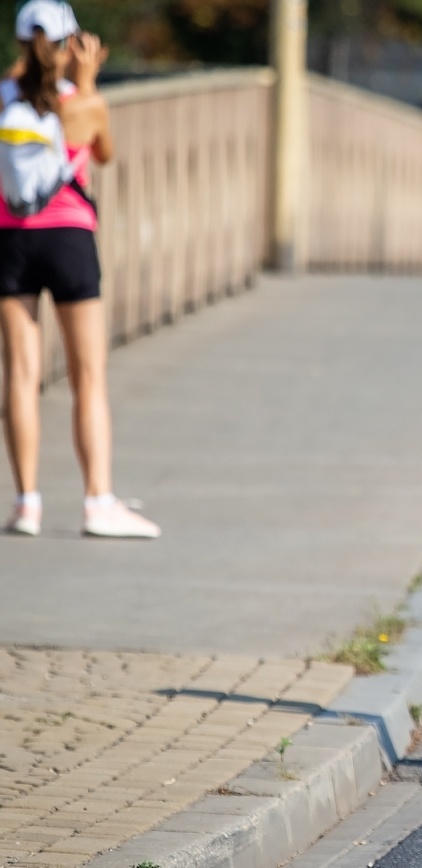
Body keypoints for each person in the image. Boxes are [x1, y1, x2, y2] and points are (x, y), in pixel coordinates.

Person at [1, 0, 156, 538]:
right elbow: (104, 154)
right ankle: (97, 501)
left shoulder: (4, 100)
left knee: (21, 374)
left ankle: (27, 504)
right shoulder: (84, 104)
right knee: (87, 375)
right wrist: (87, 84)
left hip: (10, 240)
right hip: (69, 238)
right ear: (70, 45)